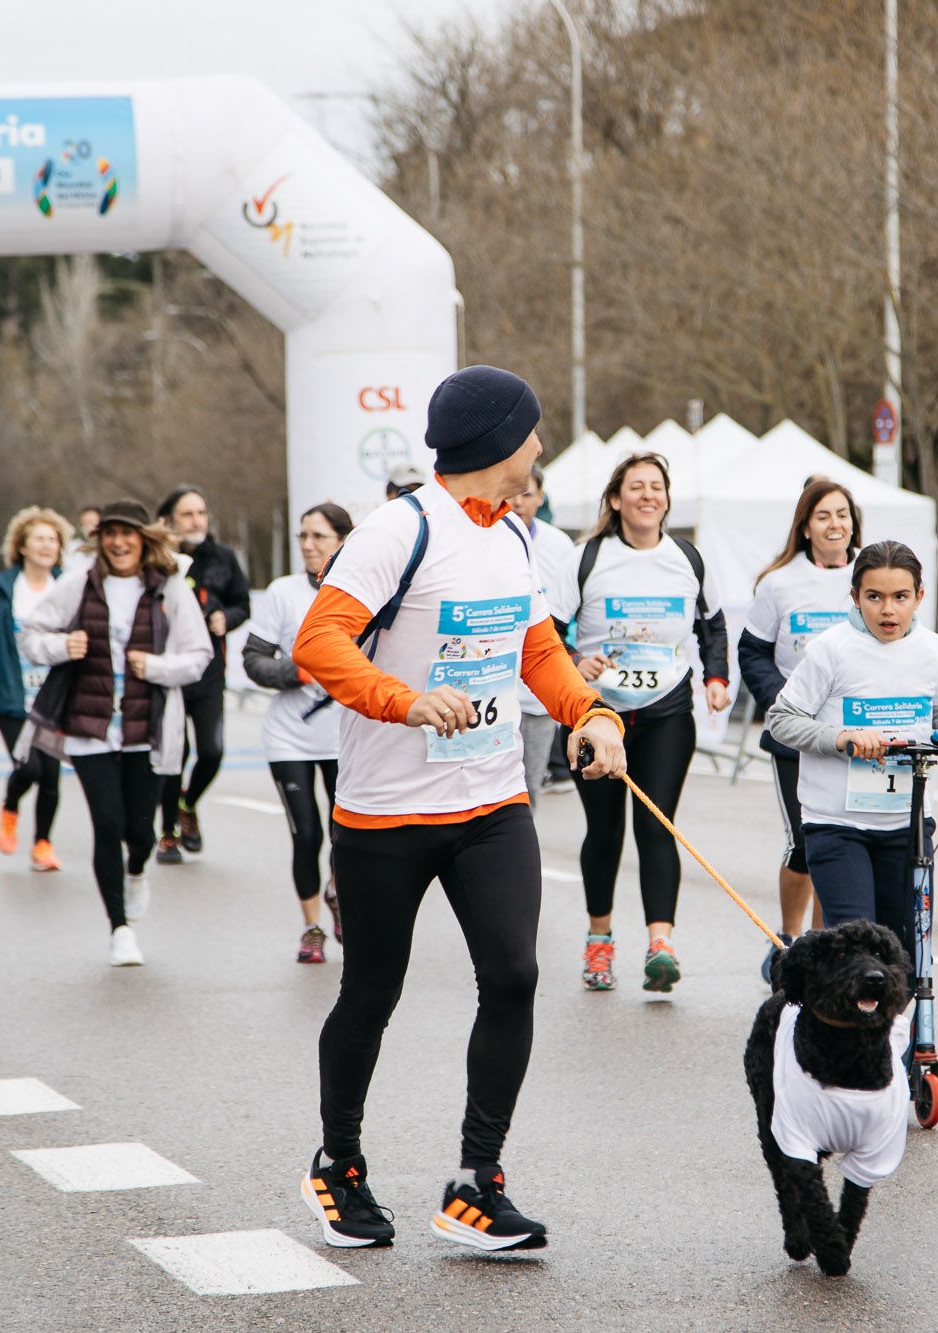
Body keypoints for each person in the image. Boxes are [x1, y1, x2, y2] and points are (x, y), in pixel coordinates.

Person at [290, 365, 626, 1253]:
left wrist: (589, 711)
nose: (542, 447)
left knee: (514, 973)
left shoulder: (515, 537)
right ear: (496, 443)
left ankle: (478, 1182)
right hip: (385, 813)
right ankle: (339, 1162)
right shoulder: (397, 532)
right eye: (534, 433)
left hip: (490, 799)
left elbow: (535, 646)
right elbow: (317, 642)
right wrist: (401, 699)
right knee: (372, 990)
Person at [549, 451, 731, 993]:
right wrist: (576, 662)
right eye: (636, 487)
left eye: (657, 487)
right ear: (615, 499)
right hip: (595, 716)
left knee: (657, 826)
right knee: (604, 833)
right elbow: (549, 636)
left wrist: (715, 678)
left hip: (666, 712)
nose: (647, 495)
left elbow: (712, 624)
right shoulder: (587, 558)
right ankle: (599, 941)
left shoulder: (687, 558)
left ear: (667, 499)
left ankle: (660, 945)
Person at [17, 500, 212, 966]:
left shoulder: (168, 589)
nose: (119, 542)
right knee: (107, 824)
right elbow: (30, 635)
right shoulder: (80, 584)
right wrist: (62, 646)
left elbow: (199, 655)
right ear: (100, 540)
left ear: (144, 538)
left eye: (127, 534)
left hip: (148, 731)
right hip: (90, 728)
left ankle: (137, 869)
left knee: (139, 831)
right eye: (110, 534)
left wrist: (157, 666)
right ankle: (119, 929)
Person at [763, 541, 938, 944]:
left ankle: (898, 1010)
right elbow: (781, 719)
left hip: (907, 823)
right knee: (857, 949)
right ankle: (806, 1006)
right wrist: (840, 737)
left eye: (900, 597)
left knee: (906, 952)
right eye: (874, 597)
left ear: (919, 596)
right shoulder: (830, 649)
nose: (887, 610)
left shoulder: (934, 650)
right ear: (854, 597)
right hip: (837, 824)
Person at [739, 479, 860, 979]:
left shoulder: (869, 573)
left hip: (857, 736)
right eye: (824, 516)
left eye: (843, 515)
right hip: (797, 735)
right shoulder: (779, 583)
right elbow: (752, 651)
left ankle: (822, 945)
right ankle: (787, 940)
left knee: (840, 840)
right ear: (805, 526)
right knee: (805, 844)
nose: (835, 525)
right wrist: (780, 701)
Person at [244, 502, 353, 963]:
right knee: (306, 834)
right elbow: (253, 660)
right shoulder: (283, 593)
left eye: (319, 537)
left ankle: (338, 893)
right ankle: (311, 929)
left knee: (344, 836)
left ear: (343, 542)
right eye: (302, 537)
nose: (308, 546)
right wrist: (296, 672)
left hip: (344, 737)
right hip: (289, 737)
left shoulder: (359, 592)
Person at [0, 506, 73, 872]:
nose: (47, 545)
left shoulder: (69, 588)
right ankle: (11, 807)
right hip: (12, 698)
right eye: (39, 538)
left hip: (55, 698)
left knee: (52, 776)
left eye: (53, 539)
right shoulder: (0, 590)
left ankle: (43, 844)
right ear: (22, 546)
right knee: (29, 768)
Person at [152, 485, 251, 865]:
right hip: (168, 672)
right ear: (168, 521)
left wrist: (229, 617)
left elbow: (242, 603)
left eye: (201, 513)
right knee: (174, 754)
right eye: (188, 514)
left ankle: (187, 804)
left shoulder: (223, 557)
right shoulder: (159, 559)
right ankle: (167, 834)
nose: (197, 521)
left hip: (209, 671)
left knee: (211, 751)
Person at [507, 464, 580, 811]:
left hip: (536, 693)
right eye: (514, 493)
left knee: (527, 788)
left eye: (527, 493)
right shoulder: (486, 536)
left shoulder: (558, 544)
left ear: (540, 498)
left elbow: (569, 612)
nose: (519, 502)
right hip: (492, 688)